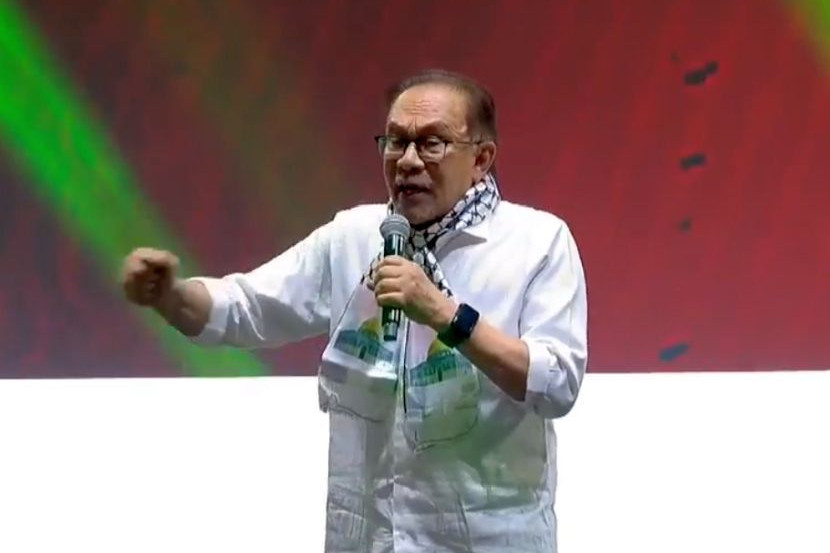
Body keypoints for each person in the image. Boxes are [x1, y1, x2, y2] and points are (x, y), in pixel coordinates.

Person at [122, 69, 588, 553]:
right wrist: (170, 296)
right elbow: (246, 308)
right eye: (396, 142)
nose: (408, 161)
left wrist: (445, 314)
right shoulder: (355, 236)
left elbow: (556, 383)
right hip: (367, 539)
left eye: (432, 143)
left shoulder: (537, 242)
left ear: (481, 158)